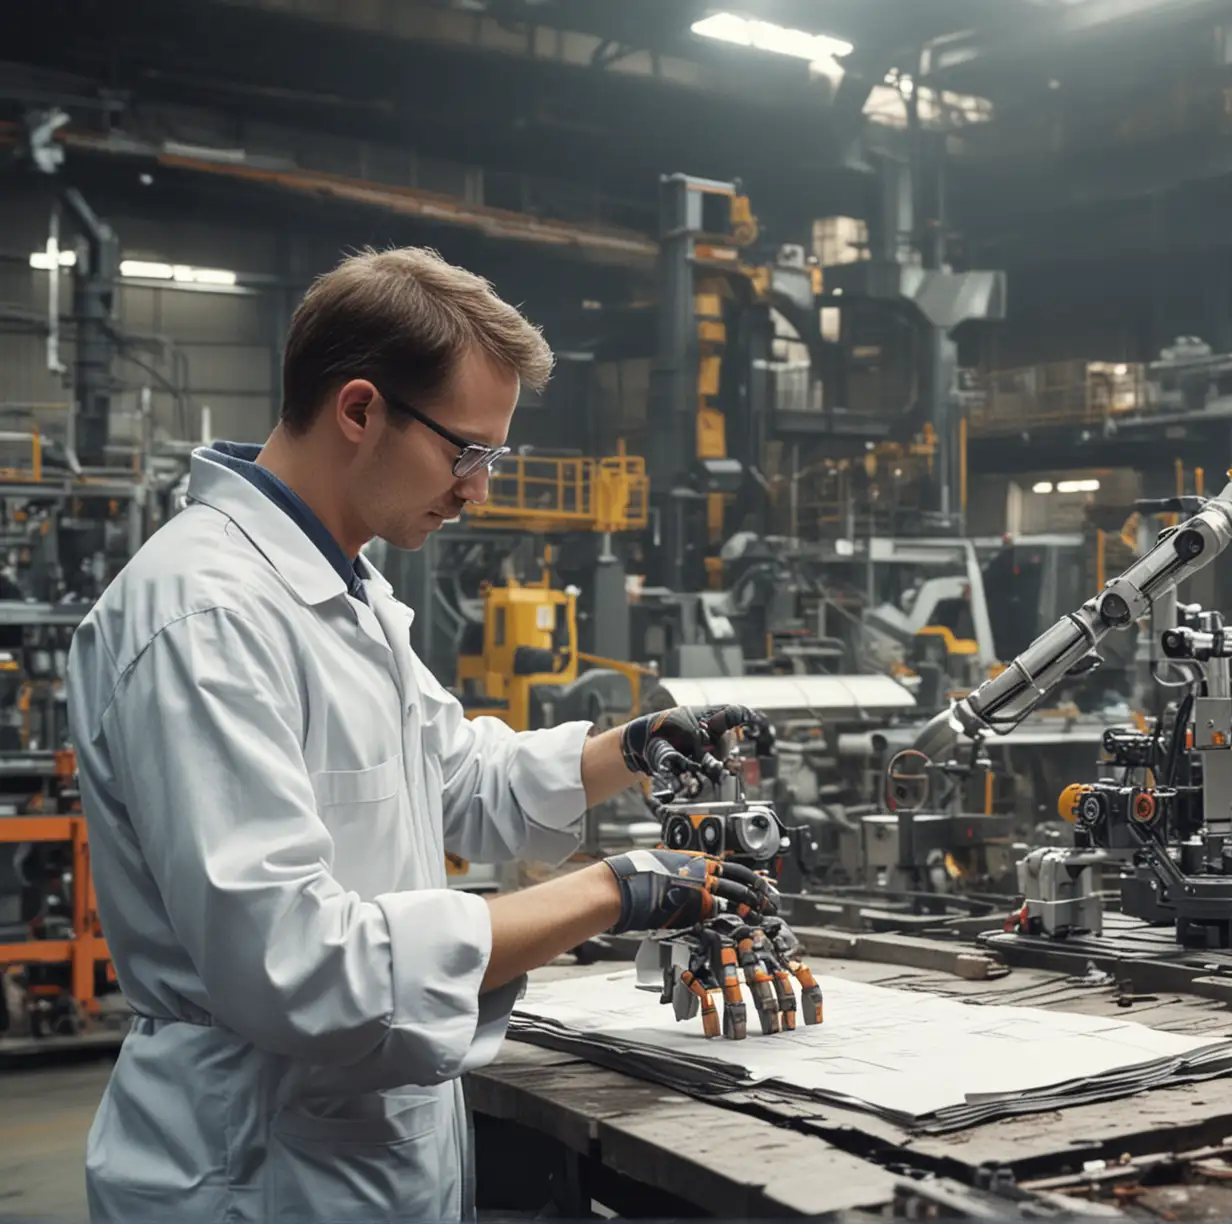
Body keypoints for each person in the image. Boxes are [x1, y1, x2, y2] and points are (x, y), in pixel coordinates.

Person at [67, 247, 763, 1222]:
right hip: (254, 1168)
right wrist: (616, 891)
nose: (479, 487)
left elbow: (454, 774)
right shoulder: (205, 615)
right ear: (360, 410)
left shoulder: (349, 594)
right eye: (466, 451)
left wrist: (633, 749)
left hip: (360, 1148)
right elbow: (296, 963)